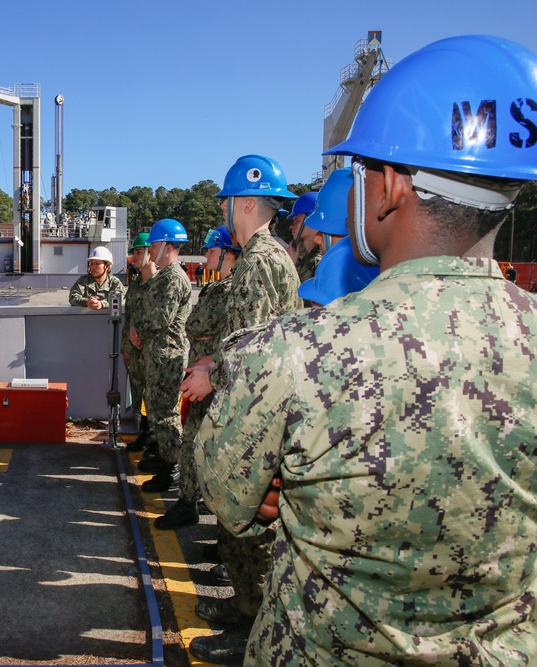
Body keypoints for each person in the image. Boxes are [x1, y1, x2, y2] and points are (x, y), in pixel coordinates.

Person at [196, 35, 537, 665]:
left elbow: (227, 494)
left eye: (352, 173)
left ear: (388, 186)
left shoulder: (298, 354)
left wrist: (283, 480)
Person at [180, 154, 301, 664]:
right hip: (252, 407)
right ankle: (245, 605)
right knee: (240, 526)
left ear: (246, 203)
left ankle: (252, 630)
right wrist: (215, 358)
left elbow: (258, 356)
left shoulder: (259, 261)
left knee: (250, 525)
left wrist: (212, 371)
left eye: (228, 201)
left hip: (255, 418)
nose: (226, 210)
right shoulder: (266, 258)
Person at [154, 225, 240, 530]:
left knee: (197, 442)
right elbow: (196, 326)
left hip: (212, 378)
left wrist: (204, 337)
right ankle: (191, 500)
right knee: (198, 441)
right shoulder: (222, 286)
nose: (205, 256)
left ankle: (189, 503)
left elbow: (199, 323)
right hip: (207, 372)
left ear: (229, 253)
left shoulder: (229, 289)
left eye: (211, 250)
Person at [129, 219, 191, 493]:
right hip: (157, 354)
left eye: (154, 245)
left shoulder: (173, 278)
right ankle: (165, 459)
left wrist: (138, 330)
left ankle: (173, 468)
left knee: (166, 414)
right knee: (157, 410)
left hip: (167, 356)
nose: (150, 250)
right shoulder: (164, 277)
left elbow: (160, 318)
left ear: (167, 246)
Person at [122, 232, 156, 452]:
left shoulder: (158, 284)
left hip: (151, 351)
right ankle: (144, 433)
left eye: (137, 252)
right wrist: (126, 346)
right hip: (134, 352)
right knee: (138, 392)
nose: (133, 256)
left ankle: (154, 439)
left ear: (150, 253)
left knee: (153, 396)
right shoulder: (134, 285)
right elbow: (129, 317)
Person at [286, 191, 322, 283]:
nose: (291, 226)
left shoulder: (318, 264)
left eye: (296, 220)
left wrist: (290, 266)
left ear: (312, 220)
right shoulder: (306, 260)